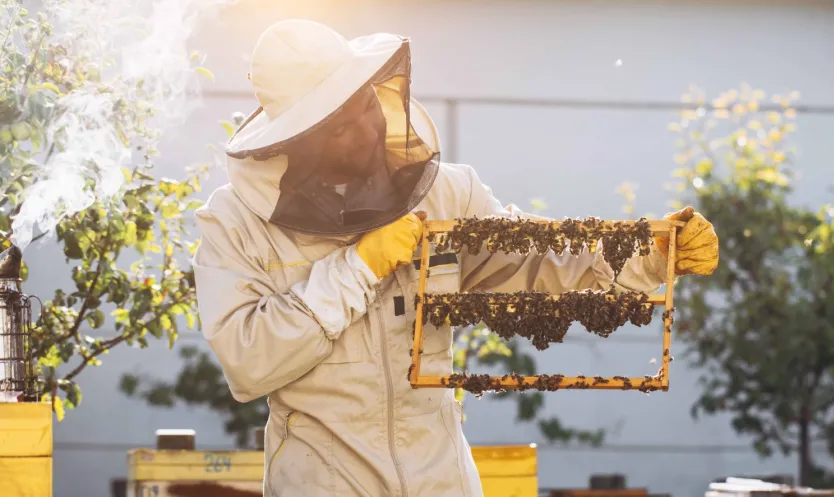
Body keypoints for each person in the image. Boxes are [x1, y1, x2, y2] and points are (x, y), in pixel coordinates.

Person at [192, 19, 720, 497]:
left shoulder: (448, 194)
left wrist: (647, 257)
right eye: (341, 125)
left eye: (368, 105)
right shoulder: (234, 224)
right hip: (322, 482)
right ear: (297, 140)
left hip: (441, 477)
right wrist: (358, 268)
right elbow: (249, 362)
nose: (370, 128)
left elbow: (535, 263)